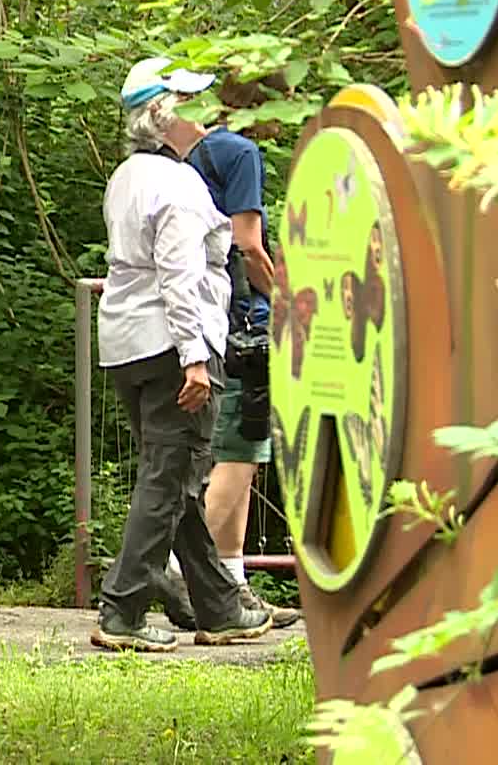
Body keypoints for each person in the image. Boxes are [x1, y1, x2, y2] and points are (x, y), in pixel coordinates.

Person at [89, 57, 271, 652]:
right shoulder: (180, 184)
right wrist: (196, 358)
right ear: (167, 118)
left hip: (125, 344)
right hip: (174, 345)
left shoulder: (127, 177)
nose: (207, 113)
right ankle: (121, 610)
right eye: (193, 103)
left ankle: (217, 606)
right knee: (168, 478)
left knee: (179, 476)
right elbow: (182, 276)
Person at [162, 74, 301, 630]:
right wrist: (285, 303)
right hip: (242, 318)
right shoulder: (240, 152)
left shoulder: (196, 152)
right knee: (241, 450)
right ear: (258, 107)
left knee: (247, 448)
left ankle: (233, 581)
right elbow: (247, 242)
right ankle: (176, 569)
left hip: (208, 314)